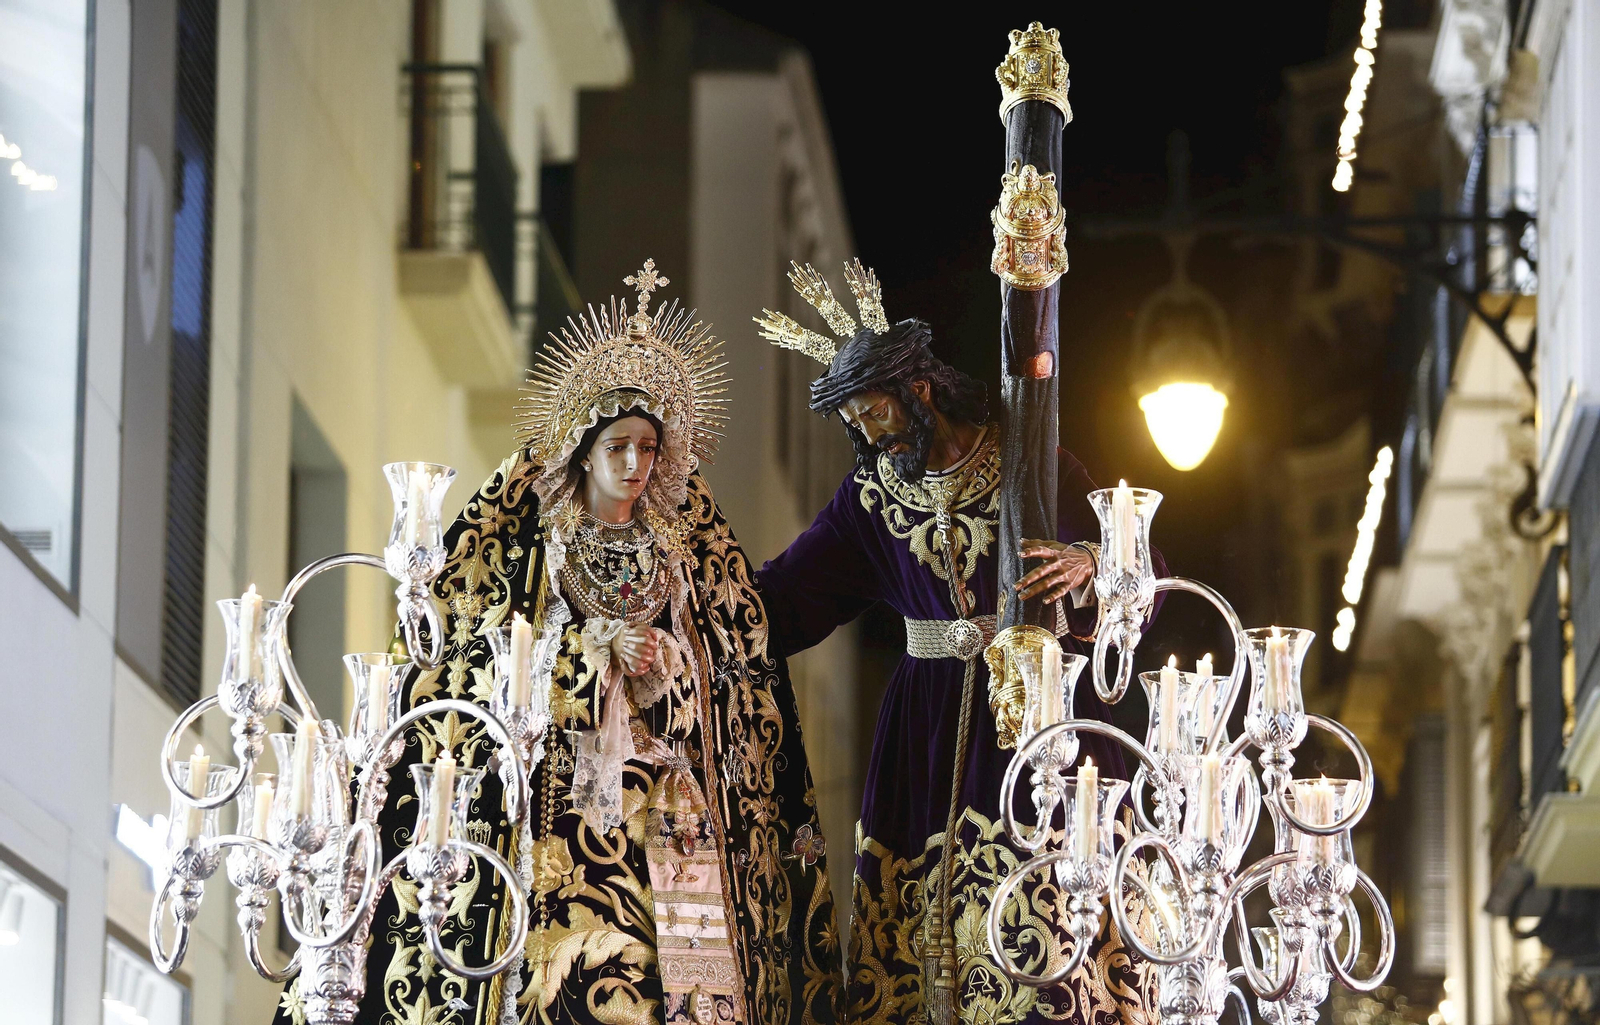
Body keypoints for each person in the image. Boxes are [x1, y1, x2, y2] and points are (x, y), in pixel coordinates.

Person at [276, 262, 842, 1025]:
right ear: (582, 447)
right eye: (619, 445)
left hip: (673, 828)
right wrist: (588, 657)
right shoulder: (531, 552)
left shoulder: (690, 561)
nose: (635, 464)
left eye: (648, 446)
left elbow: (737, 683)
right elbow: (470, 670)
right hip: (560, 817)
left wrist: (671, 669)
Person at [752, 261, 1164, 1025]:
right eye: (855, 425)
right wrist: (693, 589)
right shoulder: (870, 498)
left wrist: (1091, 562)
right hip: (929, 729)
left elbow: (1142, 564)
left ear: (920, 389)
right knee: (922, 950)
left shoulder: (1031, 460)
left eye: (874, 414)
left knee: (1054, 920)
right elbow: (785, 596)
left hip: (1041, 717)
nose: (868, 435)